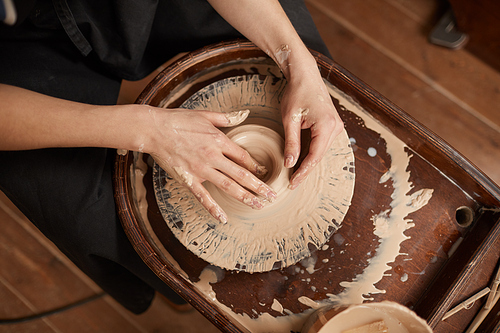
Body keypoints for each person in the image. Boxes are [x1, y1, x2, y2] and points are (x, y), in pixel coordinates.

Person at [0, 0, 343, 314]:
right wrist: (145, 128)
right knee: (91, 211)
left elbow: (293, 55)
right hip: (14, 53)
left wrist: (296, 60)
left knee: (297, 43)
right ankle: (184, 283)